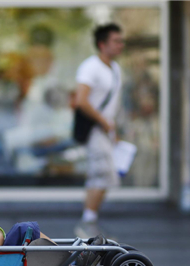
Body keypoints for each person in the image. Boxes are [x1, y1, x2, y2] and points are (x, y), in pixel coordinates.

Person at [74, 23, 125, 239]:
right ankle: (87, 223)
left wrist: (113, 129)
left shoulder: (115, 69)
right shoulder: (90, 67)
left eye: (121, 41)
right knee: (100, 175)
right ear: (102, 44)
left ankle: (90, 220)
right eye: (116, 41)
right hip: (95, 130)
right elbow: (81, 100)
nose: (120, 45)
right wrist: (103, 122)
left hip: (106, 131)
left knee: (106, 175)